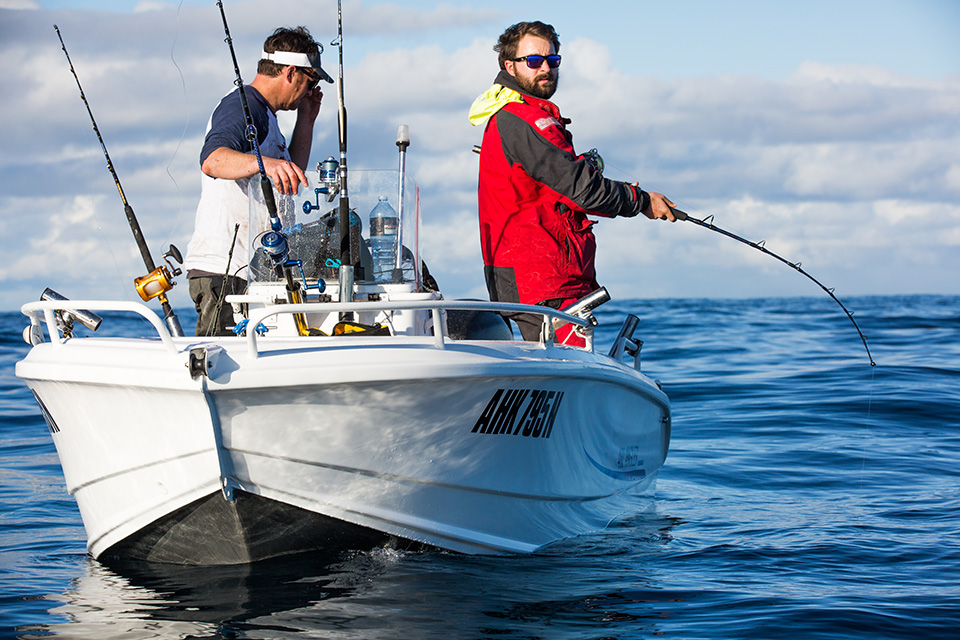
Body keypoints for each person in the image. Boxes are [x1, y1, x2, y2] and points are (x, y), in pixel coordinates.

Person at [468, 21, 678, 345]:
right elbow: (581, 188)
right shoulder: (521, 119)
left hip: (545, 282)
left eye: (553, 61)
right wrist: (641, 201)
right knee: (568, 371)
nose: (546, 69)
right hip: (541, 285)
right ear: (509, 65)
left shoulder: (522, 116)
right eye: (534, 61)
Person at [183, 26, 332, 336]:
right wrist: (267, 163)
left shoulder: (267, 115)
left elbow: (288, 177)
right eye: (310, 82)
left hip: (251, 268)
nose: (310, 90)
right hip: (224, 270)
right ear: (291, 72)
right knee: (223, 363)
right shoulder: (243, 106)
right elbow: (213, 160)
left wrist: (306, 118)